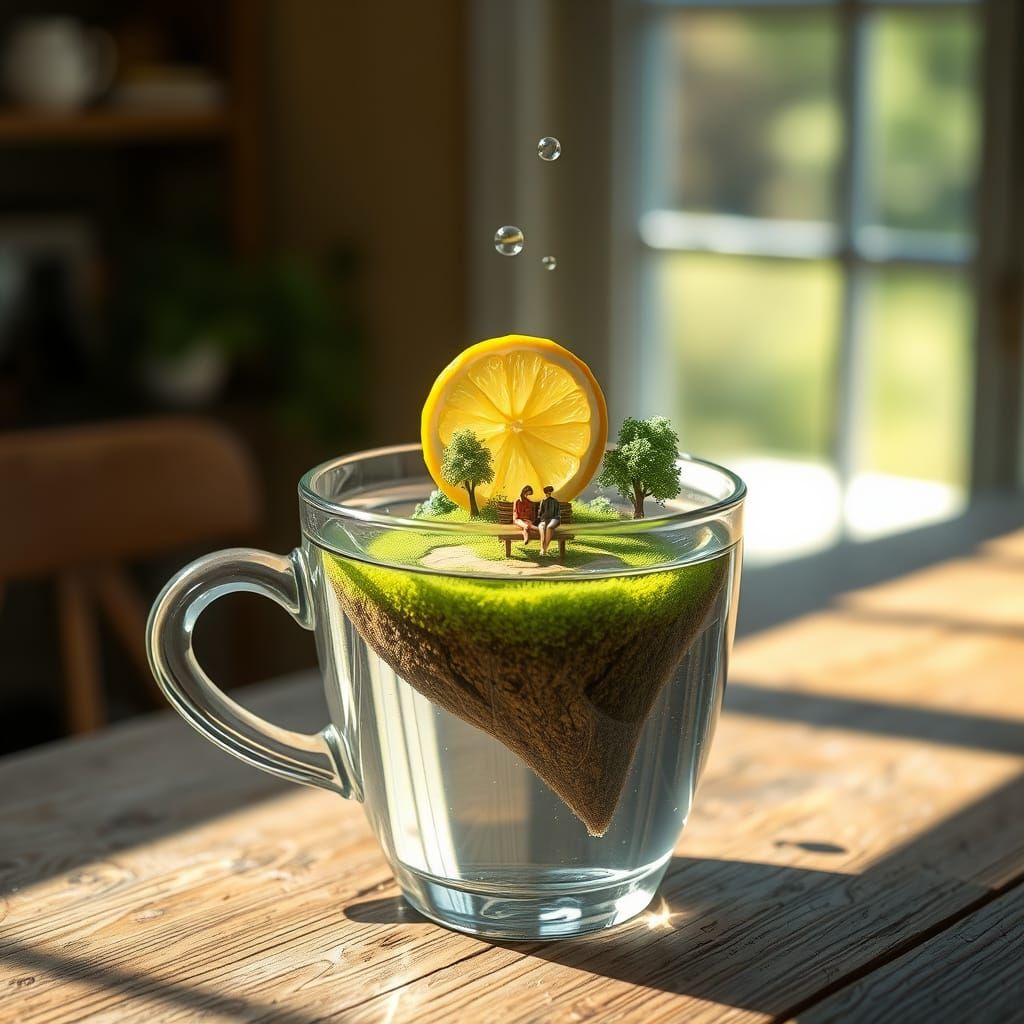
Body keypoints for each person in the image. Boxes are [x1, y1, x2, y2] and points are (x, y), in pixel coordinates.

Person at [536, 485, 561, 556]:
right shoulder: (543, 501)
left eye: (550, 493)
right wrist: (542, 520)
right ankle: (542, 549)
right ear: (545, 493)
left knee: (549, 527)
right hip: (545, 519)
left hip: (554, 519)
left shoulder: (555, 501)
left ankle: (545, 548)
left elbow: (557, 513)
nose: (549, 494)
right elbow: (540, 514)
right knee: (542, 527)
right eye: (548, 493)